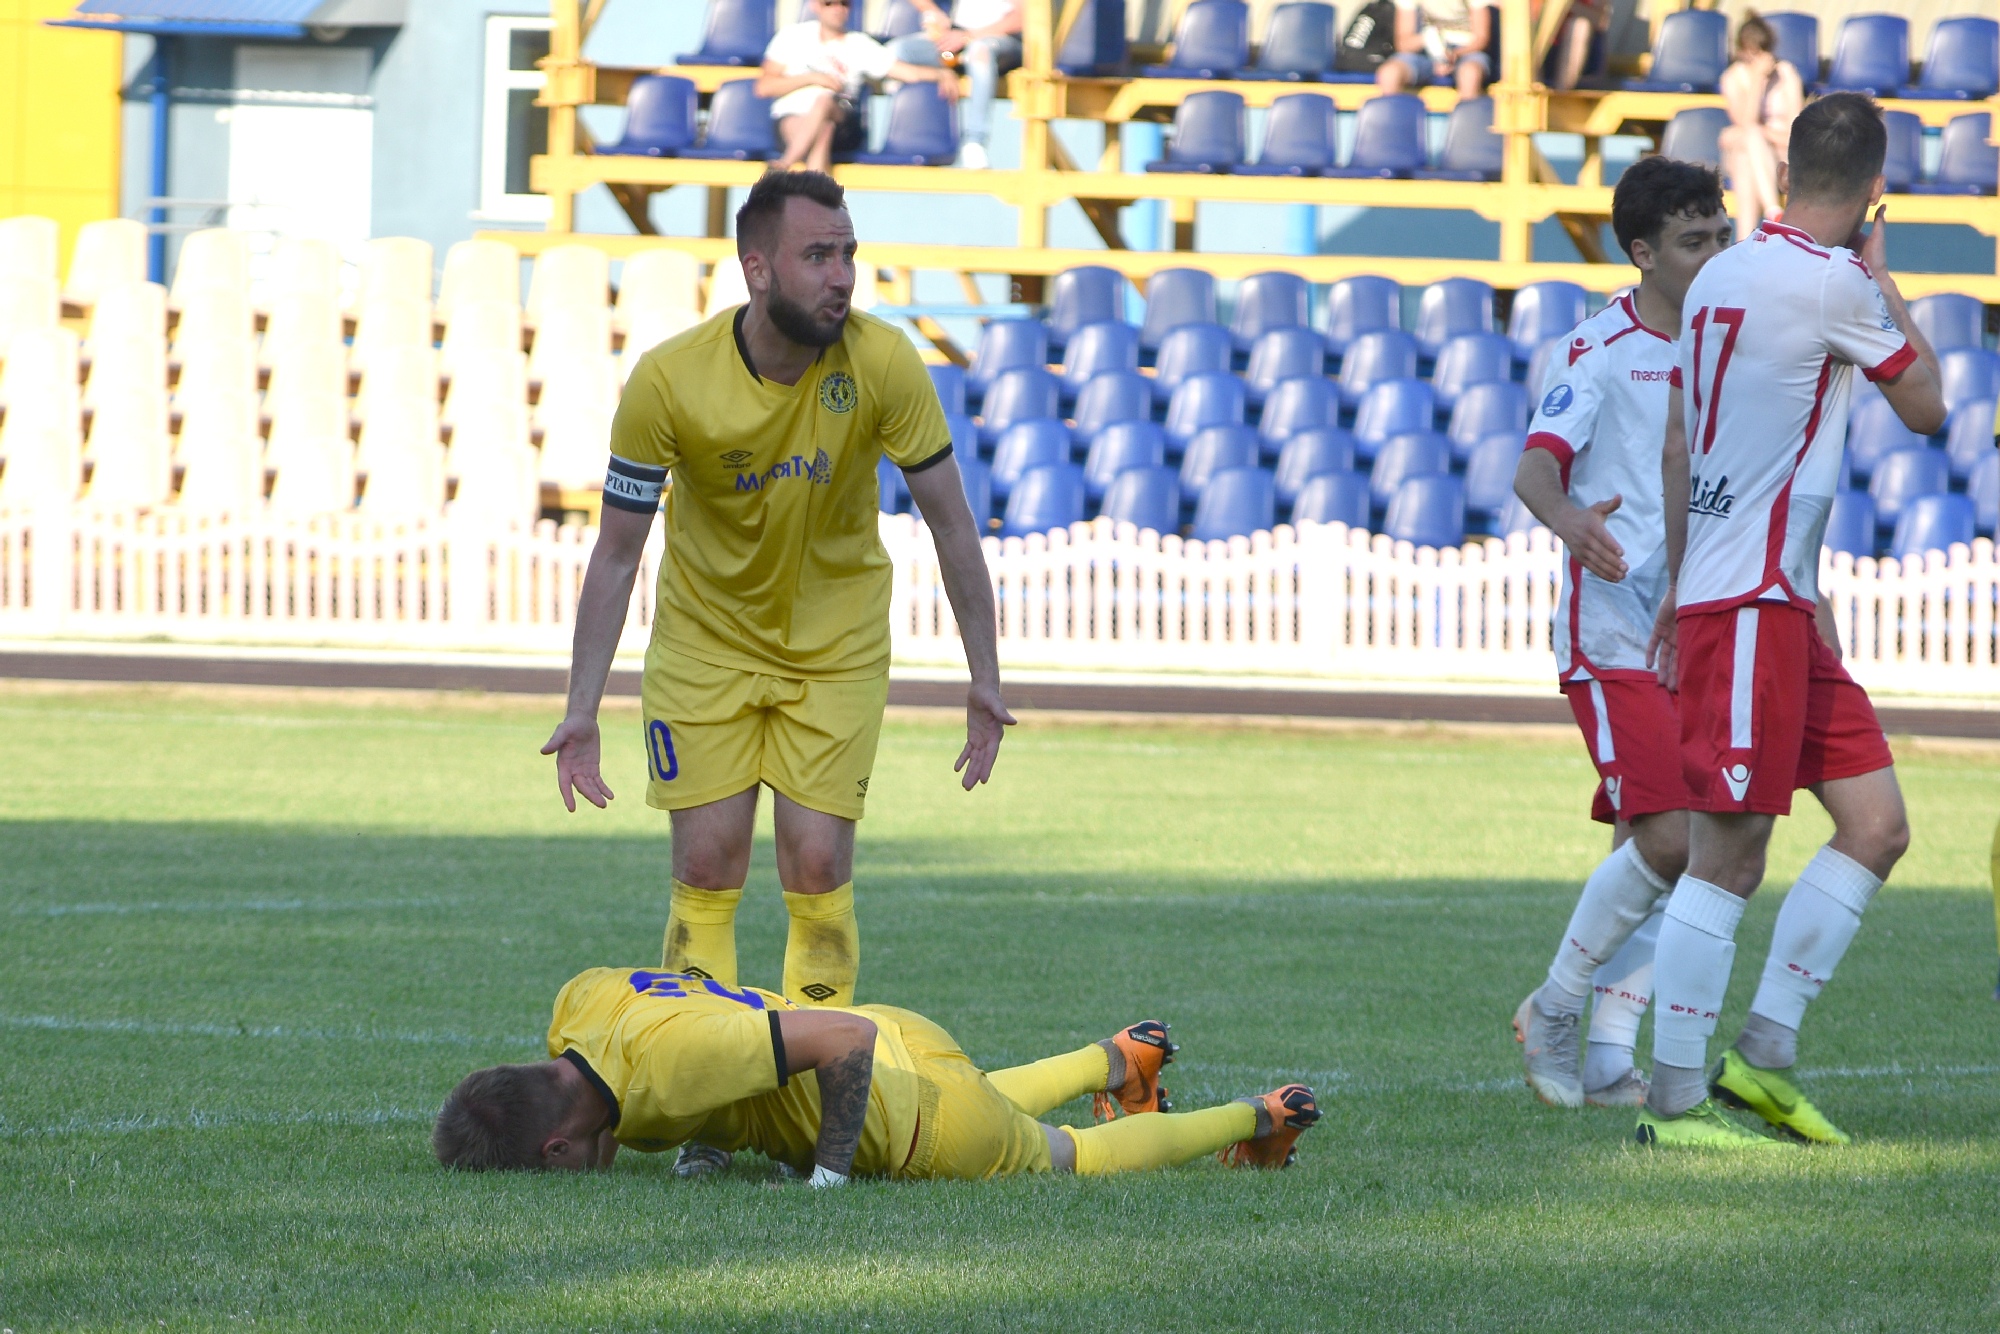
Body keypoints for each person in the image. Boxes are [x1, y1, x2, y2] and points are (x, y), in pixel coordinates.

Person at [540, 170, 1014, 1172]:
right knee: (707, 868)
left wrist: (984, 676)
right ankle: (713, 1111)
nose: (841, 274)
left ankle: (815, 1099)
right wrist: (580, 707)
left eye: (846, 252)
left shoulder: (884, 361)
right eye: (817, 255)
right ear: (756, 268)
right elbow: (616, 552)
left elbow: (951, 521)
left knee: (815, 868)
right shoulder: (668, 380)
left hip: (835, 649)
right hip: (703, 648)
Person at [1639, 93, 1947, 1149]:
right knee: (1727, 853)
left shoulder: (1719, 270)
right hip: (1751, 608)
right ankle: (1672, 1101)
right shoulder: (1834, 285)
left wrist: (1678, 581)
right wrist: (1881, 271)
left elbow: (1680, 440)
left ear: (1782, 163)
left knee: (1875, 826)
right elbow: (1927, 405)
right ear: (1873, 186)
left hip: (1774, 605)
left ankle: (1760, 1055)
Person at [1510, 156, 1734, 1110]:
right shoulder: (1598, 350)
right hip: (1614, 636)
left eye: (1721, 234)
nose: (1715, 253)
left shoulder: (1734, 339)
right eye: (1694, 241)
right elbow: (1535, 471)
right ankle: (1553, 1007)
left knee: (1650, 855)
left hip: (1701, 627)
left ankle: (1607, 1053)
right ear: (1643, 253)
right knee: (1675, 841)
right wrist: (1571, 522)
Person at [431, 965, 1324, 1181]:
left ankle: (1261, 1115)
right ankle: (1121, 1056)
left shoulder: (672, 1068)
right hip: (911, 1041)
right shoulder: (579, 1007)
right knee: (992, 1096)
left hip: (907, 1111)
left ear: (555, 1148)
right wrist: (712, 1139)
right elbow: (695, 1021)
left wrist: (824, 1176)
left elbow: (842, 1039)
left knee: (1066, 1158)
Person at [755, 0, 960, 173]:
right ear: (815, 5)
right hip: (792, 120)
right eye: (829, 3)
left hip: (843, 120)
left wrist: (941, 73)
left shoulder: (859, 44)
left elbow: (906, 72)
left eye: (844, 3)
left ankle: (784, 165)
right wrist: (812, 79)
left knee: (824, 102)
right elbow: (765, 86)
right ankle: (821, 204)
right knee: (823, 129)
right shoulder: (792, 37)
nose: (838, 8)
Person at [893, 0, 1022, 170]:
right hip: (952, 47)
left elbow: (1022, 18)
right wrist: (934, 13)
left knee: (979, 52)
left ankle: (975, 142)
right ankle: (910, 136)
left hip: (999, 43)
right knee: (900, 50)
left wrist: (968, 36)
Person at [1718, 15, 1805, 239]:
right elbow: (1745, 121)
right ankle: (1773, 212)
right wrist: (1757, 81)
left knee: (1746, 151)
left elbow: (1796, 131)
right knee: (1749, 142)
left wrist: (1764, 134)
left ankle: (1743, 242)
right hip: (1753, 147)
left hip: (1781, 152)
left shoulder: (1786, 73)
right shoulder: (1732, 77)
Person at [1376, 0, 1493, 100]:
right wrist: (1429, 40)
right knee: (1389, 73)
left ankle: (1467, 123)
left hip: (1465, 50)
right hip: (1425, 50)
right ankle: (1392, 122)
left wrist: (1453, 55)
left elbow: (1481, 38)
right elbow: (1403, 43)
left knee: (1470, 74)